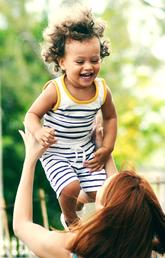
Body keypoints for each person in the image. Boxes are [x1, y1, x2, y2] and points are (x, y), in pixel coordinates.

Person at [24, 5, 118, 226]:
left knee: (101, 194)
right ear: (62, 62)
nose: (88, 67)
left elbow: (111, 118)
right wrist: (39, 130)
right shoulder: (56, 91)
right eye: (80, 62)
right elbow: (31, 115)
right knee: (70, 187)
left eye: (94, 60)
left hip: (85, 149)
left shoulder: (102, 90)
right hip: (56, 151)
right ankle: (70, 218)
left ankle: (77, 201)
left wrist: (106, 149)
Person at [13, 129, 165, 258]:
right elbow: (121, 203)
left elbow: (21, 225)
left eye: (103, 185)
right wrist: (104, 151)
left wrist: (30, 159)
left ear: (105, 211)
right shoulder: (143, 248)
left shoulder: (73, 248)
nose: (101, 182)